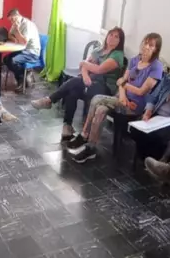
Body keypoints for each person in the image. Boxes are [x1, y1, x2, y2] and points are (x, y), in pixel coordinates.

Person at [66, 33, 164, 163]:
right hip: (121, 99)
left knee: (96, 99)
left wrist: (124, 85)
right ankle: (91, 147)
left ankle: (84, 135)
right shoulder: (135, 60)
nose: (146, 47)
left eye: (151, 45)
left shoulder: (156, 66)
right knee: (100, 109)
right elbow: (122, 80)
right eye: (145, 43)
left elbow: (141, 91)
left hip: (135, 105)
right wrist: (123, 95)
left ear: (156, 49)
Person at [30, 27, 126, 141]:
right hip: (90, 83)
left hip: (105, 88)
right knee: (73, 91)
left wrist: (85, 65)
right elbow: (84, 66)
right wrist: (85, 75)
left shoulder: (117, 55)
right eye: (111, 35)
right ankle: (67, 126)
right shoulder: (99, 50)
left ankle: (50, 100)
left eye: (116, 37)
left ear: (120, 41)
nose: (112, 38)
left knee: (74, 82)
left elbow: (99, 69)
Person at [3, 8, 41, 92]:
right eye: (10, 20)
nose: (11, 22)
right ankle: (24, 75)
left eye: (12, 19)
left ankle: (22, 80)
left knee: (12, 61)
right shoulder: (15, 23)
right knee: (5, 59)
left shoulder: (27, 24)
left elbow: (23, 42)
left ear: (17, 16)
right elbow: (9, 35)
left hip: (31, 52)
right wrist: (15, 39)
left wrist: (17, 31)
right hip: (22, 50)